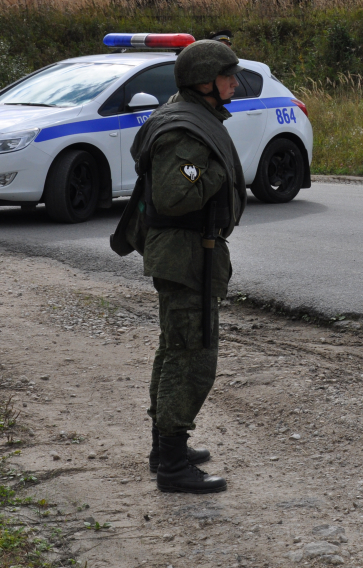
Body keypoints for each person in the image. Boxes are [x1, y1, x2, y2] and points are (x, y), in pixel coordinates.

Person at [109, 39, 247, 493]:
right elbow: (176, 192)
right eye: (226, 75)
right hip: (187, 253)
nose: (234, 81)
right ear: (203, 82)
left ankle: (165, 448)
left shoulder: (188, 113)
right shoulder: (184, 130)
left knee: (176, 349)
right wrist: (213, 175)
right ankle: (172, 465)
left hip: (189, 251)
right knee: (192, 355)